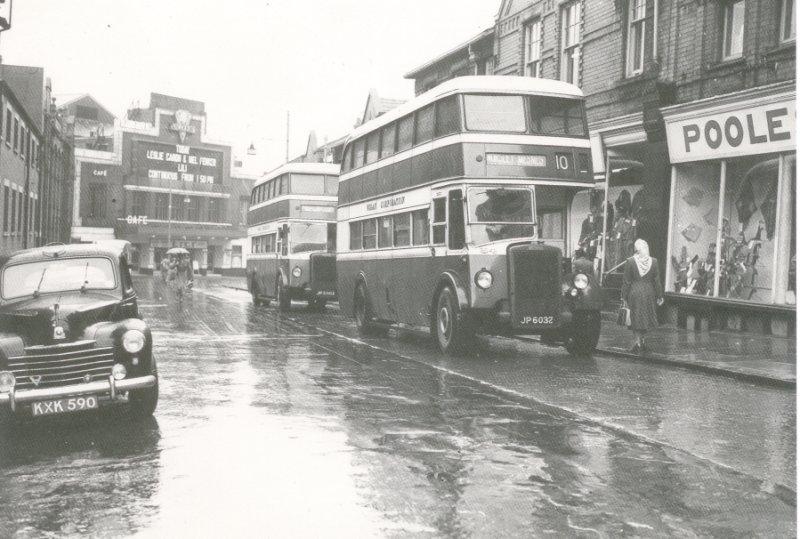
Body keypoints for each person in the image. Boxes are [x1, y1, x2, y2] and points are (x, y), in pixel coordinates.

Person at [621, 239, 663, 353]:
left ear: (636, 249)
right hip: (649, 292)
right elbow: (657, 281)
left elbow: (627, 281)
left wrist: (623, 296)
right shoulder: (654, 261)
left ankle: (637, 342)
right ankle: (643, 341)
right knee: (646, 317)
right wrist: (660, 295)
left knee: (635, 317)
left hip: (635, 292)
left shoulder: (630, 261)